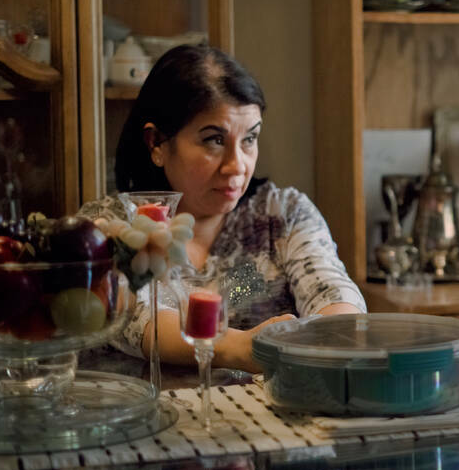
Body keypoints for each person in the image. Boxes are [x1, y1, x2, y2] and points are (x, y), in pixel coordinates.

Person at [80, 44, 364, 372]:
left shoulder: (281, 214)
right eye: (214, 140)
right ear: (156, 143)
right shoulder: (109, 226)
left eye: (249, 139)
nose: (237, 166)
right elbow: (136, 317)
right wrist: (241, 348)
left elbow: (333, 293)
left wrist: (334, 333)